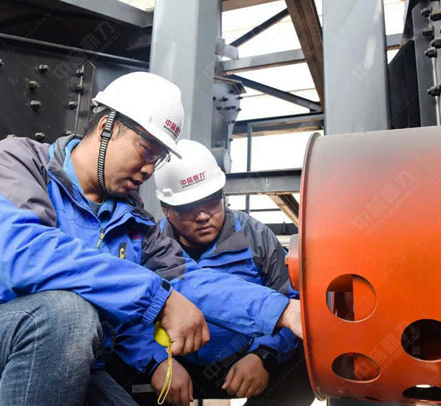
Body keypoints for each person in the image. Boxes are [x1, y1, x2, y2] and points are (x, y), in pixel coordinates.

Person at [0, 72, 303, 406]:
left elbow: (187, 279)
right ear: (107, 128)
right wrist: (159, 298)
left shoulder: (135, 222)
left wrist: (283, 311)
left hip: (75, 365)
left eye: (159, 159)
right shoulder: (19, 163)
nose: (150, 169)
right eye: (146, 150)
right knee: (69, 312)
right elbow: (26, 255)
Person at [112, 139, 313, 406]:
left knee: (305, 361)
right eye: (188, 208)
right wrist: (157, 363)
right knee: (111, 364)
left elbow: (290, 297)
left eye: (211, 202)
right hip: (175, 362)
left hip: (243, 360)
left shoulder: (255, 237)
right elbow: (126, 315)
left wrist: (264, 355)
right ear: (165, 209)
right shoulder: (148, 245)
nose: (203, 216)